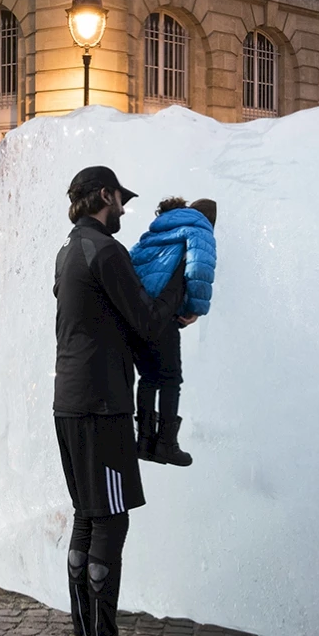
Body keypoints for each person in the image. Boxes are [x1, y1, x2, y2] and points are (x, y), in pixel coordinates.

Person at [53, 165, 188, 636]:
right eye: (120, 200)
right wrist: (178, 296)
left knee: (87, 517)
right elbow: (147, 321)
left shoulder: (70, 250)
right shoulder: (106, 252)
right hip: (102, 406)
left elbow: (101, 323)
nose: (125, 210)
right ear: (104, 195)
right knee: (111, 521)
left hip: (70, 402)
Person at [129, 196, 218, 468]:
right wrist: (195, 309)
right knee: (171, 379)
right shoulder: (199, 229)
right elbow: (199, 269)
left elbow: (131, 262)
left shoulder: (155, 231)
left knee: (148, 377)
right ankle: (167, 444)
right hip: (164, 316)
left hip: (139, 313)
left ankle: (144, 441)